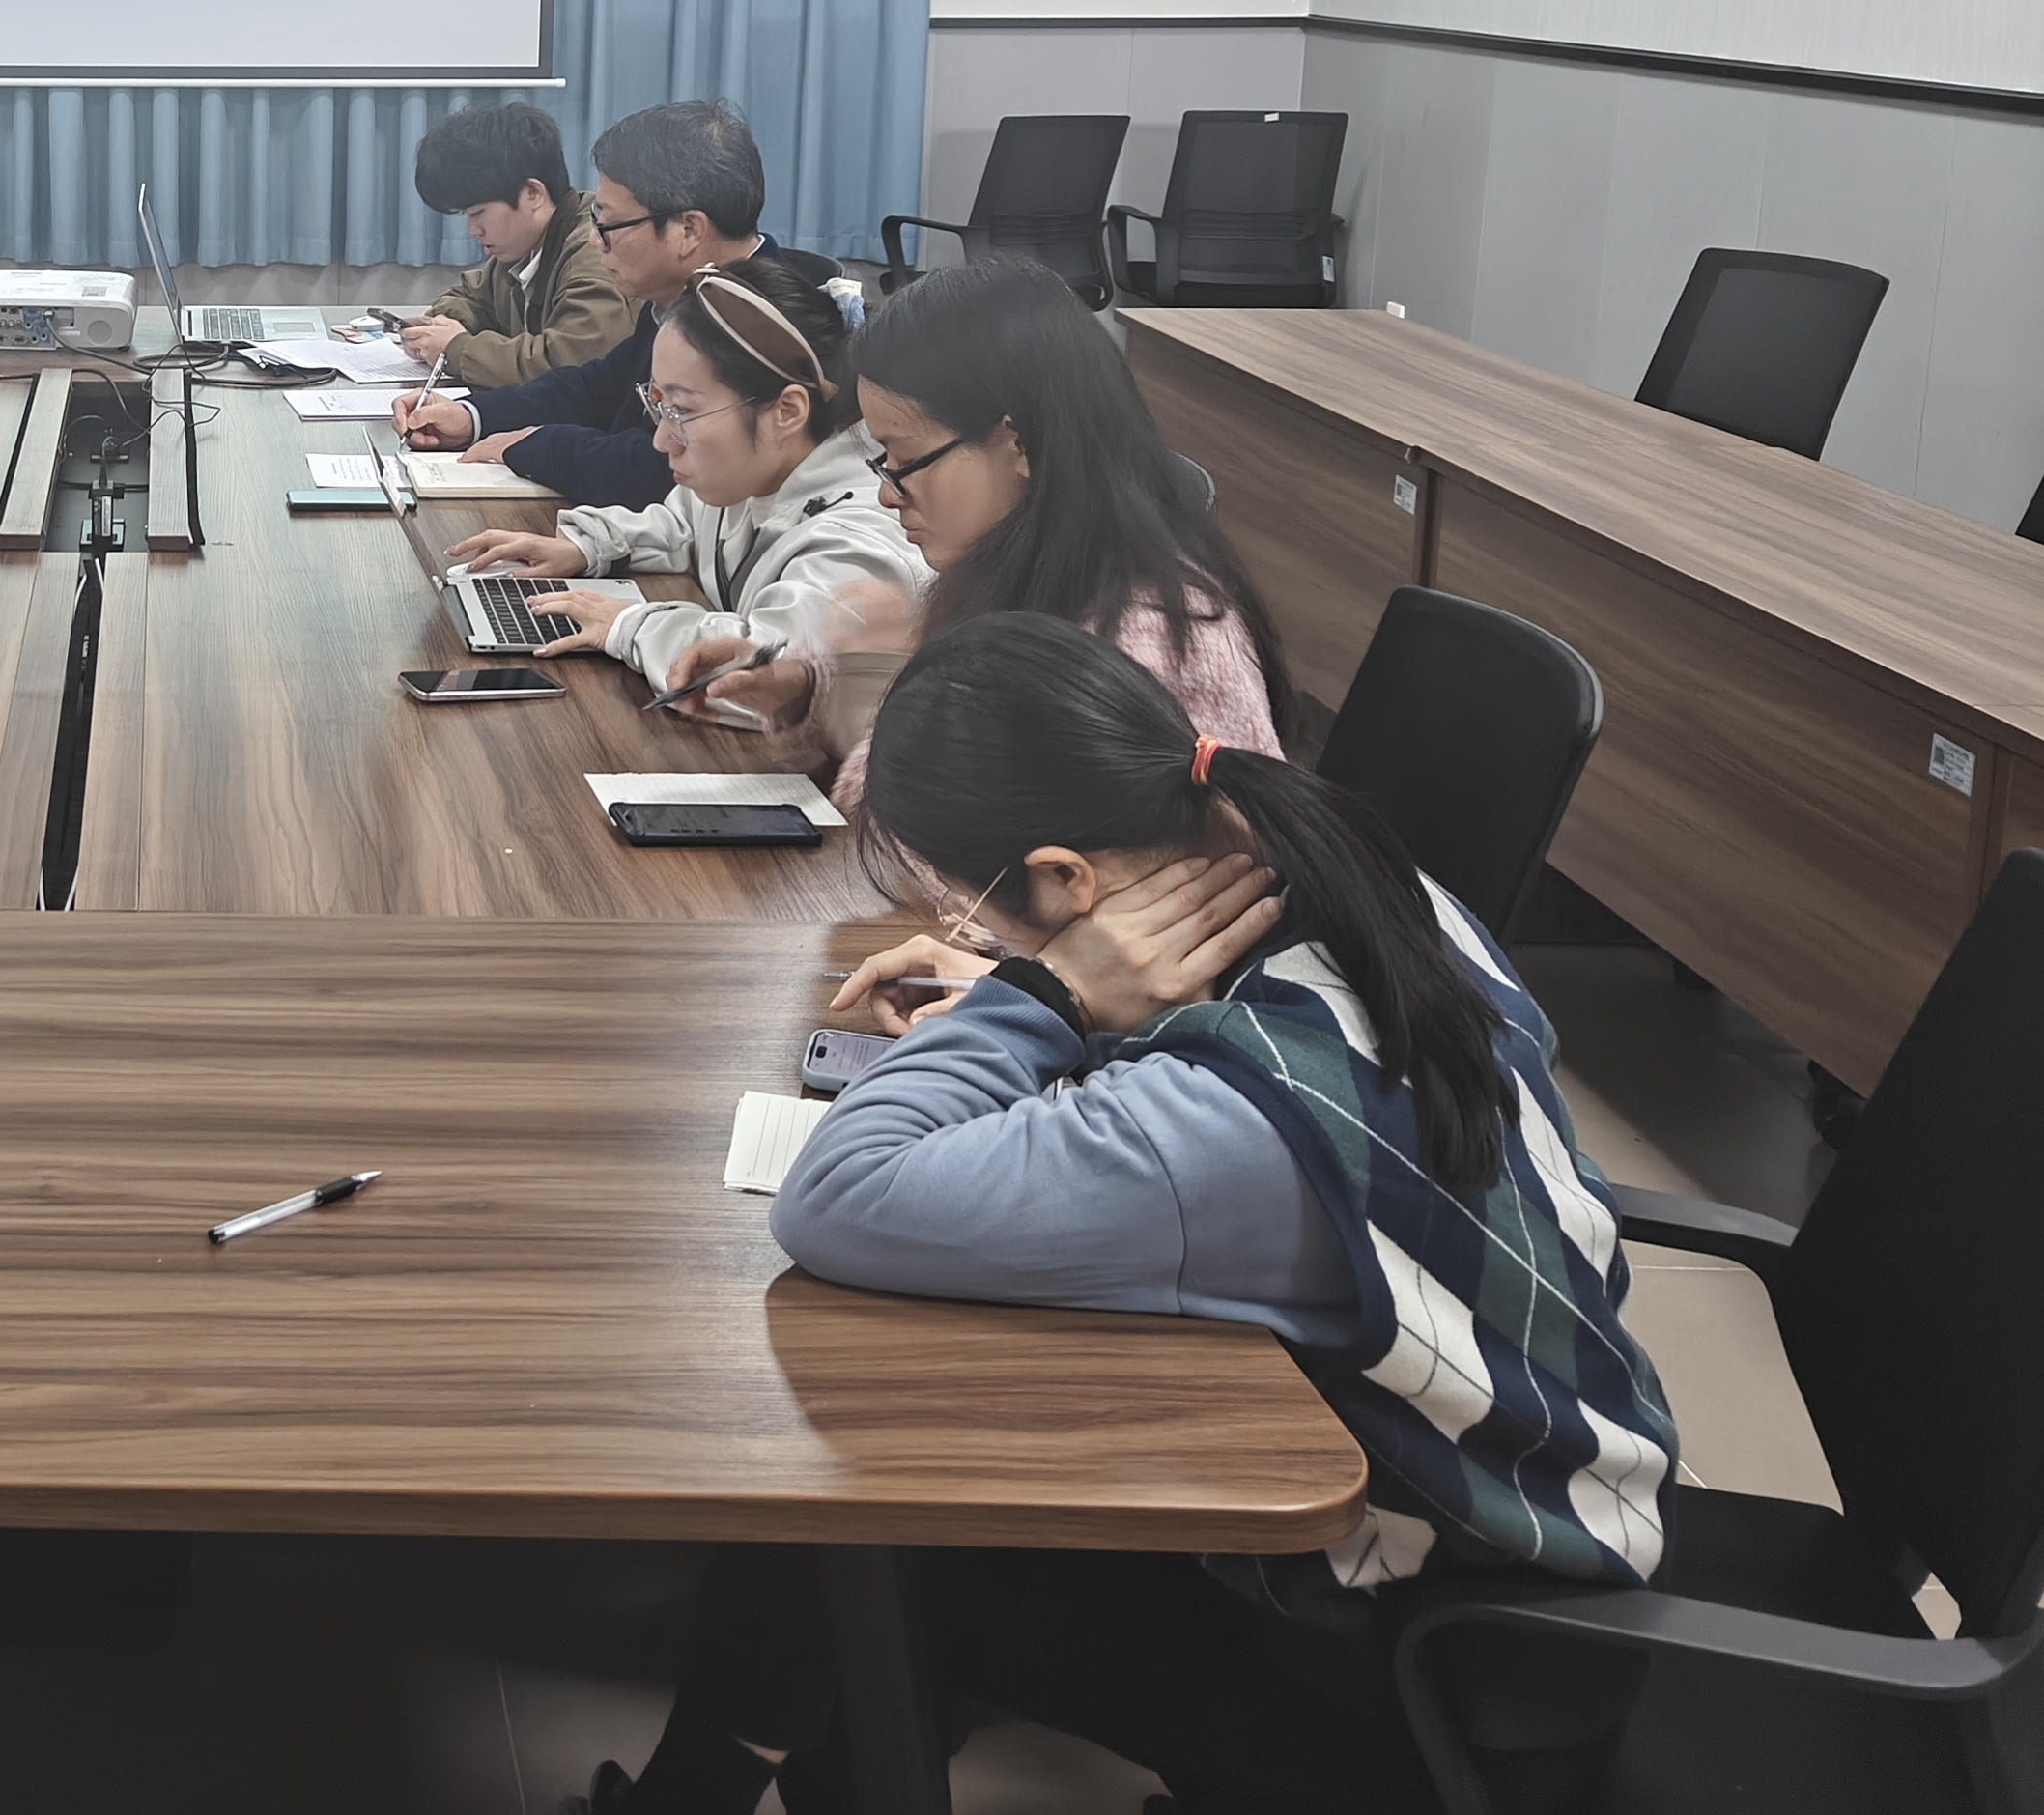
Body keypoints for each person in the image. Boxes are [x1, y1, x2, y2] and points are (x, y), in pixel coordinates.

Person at [579, 612, 1674, 1814]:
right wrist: (1054, 991)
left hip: (1427, 1652)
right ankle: (707, 1791)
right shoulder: (1373, 891)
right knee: (881, 1490)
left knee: (866, 1526)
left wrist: (1042, 997)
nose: (975, 938)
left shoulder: (1214, 1128)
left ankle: (706, 1790)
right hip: (1550, 1489)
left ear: (1066, 882)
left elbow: (841, 1196)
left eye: (978, 912)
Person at [672, 252, 1288, 798]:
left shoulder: (1141, 643)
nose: (887, 494)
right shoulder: (1019, 566)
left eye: (906, 460)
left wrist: (883, 688)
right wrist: (808, 690)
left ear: (1018, 443)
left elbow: (937, 833)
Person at [443, 258, 919, 698]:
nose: (660, 440)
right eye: (659, 405)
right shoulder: (757, 472)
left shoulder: (860, 540)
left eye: (683, 411)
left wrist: (628, 626)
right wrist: (587, 547)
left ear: (787, 412)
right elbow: (685, 525)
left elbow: (769, 674)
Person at [395, 100, 769, 505]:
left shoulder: (757, 324)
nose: (595, 239)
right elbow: (593, 387)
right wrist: (472, 417)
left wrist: (534, 445)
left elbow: (660, 466)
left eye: (609, 224)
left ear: (688, 230)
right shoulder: (683, 297)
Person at [392, 99, 634, 387]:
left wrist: (456, 349)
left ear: (532, 193)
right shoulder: (523, 247)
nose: (473, 229)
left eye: (478, 212)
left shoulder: (596, 249)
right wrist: (440, 325)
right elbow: (473, 298)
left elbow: (570, 364)